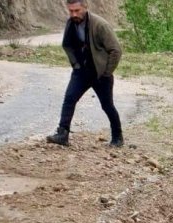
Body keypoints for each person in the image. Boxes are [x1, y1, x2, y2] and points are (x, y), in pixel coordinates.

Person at [46, 0, 123, 147]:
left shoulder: (100, 25)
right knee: (69, 99)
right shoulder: (71, 23)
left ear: (85, 8)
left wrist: (106, 72)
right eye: (71, 11)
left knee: (107, 105)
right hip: (81, 72)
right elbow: (66, 44)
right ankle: (62, 134)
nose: (74, 14)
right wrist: (75, 64)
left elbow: (116, 50)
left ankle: (118, 137)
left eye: (77, 10)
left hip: (100, 74)